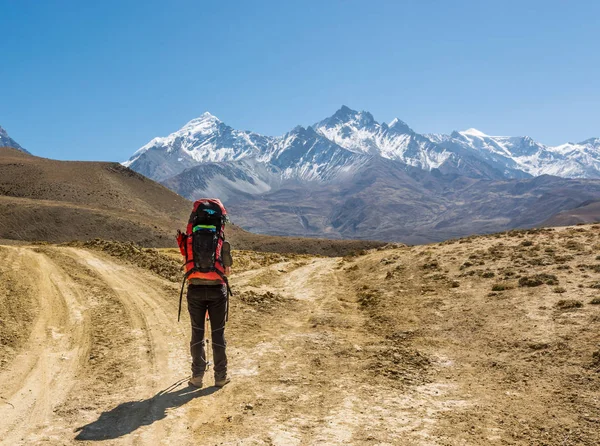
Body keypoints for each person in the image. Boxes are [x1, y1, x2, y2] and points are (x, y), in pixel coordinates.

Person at [176, 199, 233, 389]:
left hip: (195, 289)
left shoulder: (191, 238)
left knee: (197, 333)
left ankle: (197, 376)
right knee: (218, 334)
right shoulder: (220, 240)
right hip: (217, 289)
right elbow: (227, 271)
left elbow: (186, 260)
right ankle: (220, 377)